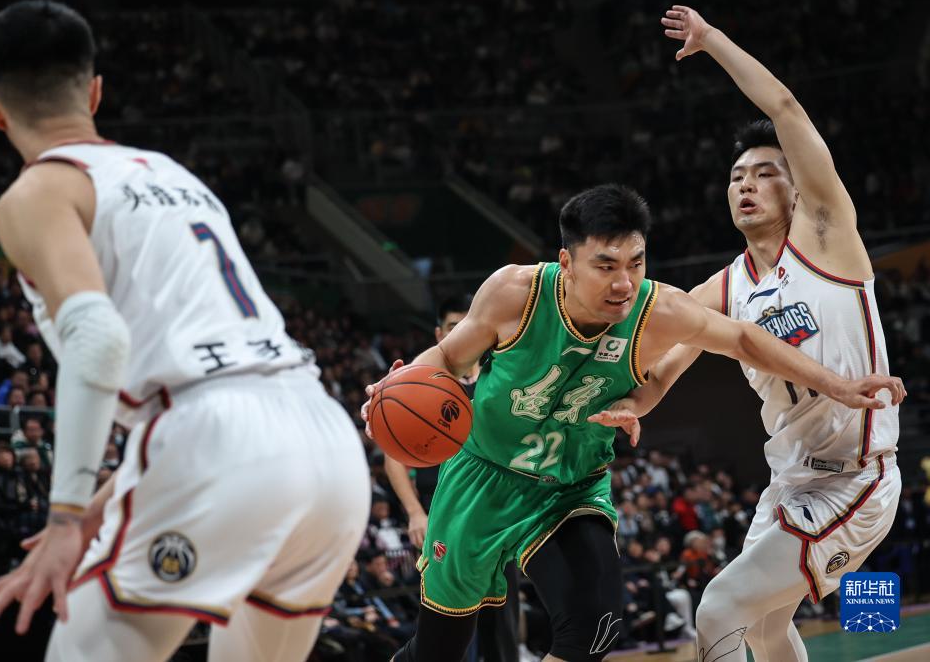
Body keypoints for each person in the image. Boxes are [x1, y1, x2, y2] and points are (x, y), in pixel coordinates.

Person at [0, 0, 369, 662]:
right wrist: (99, 509)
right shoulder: (174, 175)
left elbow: (100, 340)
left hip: (217, 443)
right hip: (326, 442)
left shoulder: (38, 192)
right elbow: (213, 379)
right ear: (95, 93)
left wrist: (65, 517)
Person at [361, 184, 903, 662]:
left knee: (595, 626)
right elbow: (447, 358)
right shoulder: (515, 293)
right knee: (439, 651)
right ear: (567, 262)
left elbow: (741, 337)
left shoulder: (657, 311)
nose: (624, 282)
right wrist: (393, 389)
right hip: (482, 477)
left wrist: (836, 384)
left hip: (568, 489)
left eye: (636, 263)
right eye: (605, 266)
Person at [604, 6, 906, 662]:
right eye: (736, 177)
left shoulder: (825, 235)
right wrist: (630, 401)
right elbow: (659, 369)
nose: (746, 184)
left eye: (764, 173)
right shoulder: (724, 288)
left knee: (719, 606)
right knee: (767, 628)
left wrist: (711, 40)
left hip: (853, 479)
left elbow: (785, 108)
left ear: (798, 190)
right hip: (787, 481)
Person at [384, 293, 522, 662]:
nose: (461, 332)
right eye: (452, 326)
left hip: (496, 512)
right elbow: (394, 460)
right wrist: (415, 513)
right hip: (442, 513)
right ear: (439, 333)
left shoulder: (499, 379)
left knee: (502, 624)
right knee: (444, 629)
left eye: (466, 324)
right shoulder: (423, 383)